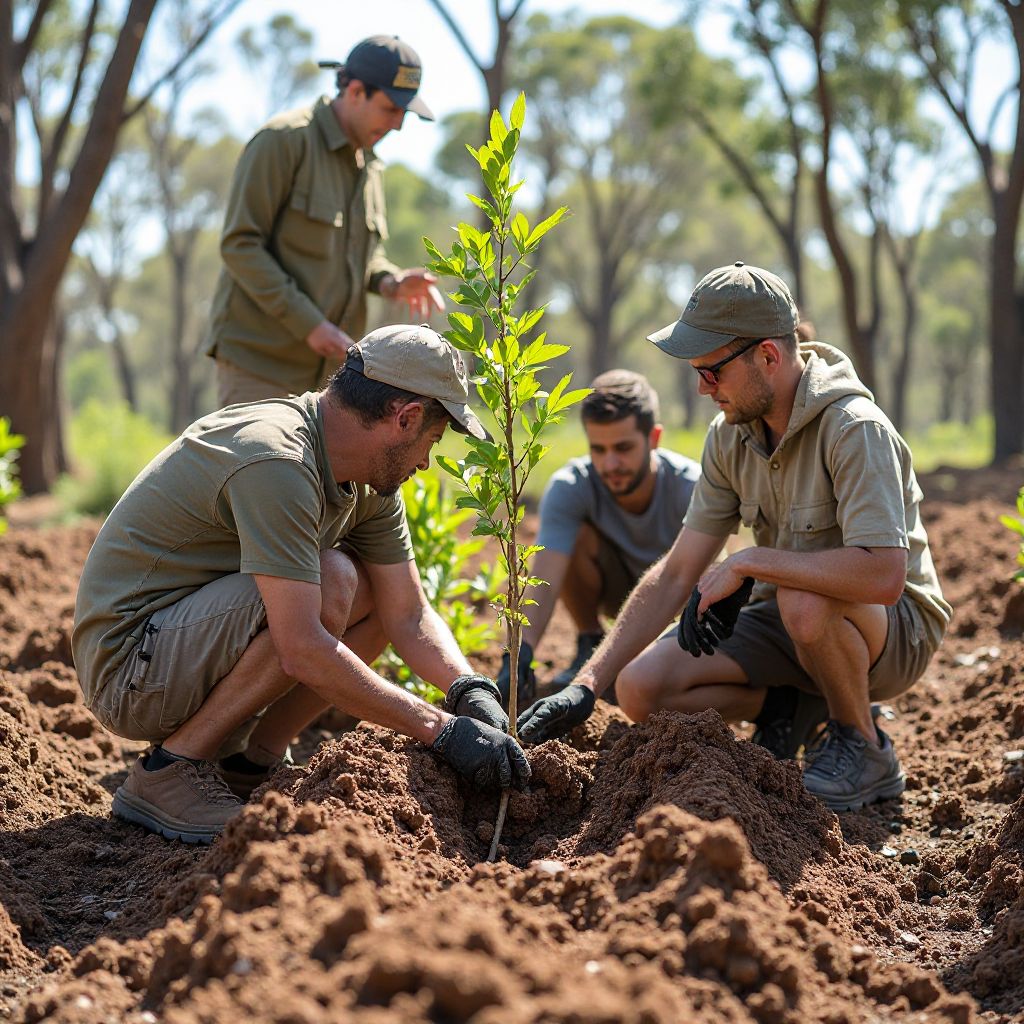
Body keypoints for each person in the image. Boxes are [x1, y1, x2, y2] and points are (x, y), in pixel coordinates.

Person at [515, 262, 951, 812]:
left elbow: (884, 577)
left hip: (891, 631)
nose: (702, 388)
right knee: (639, 688)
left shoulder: (854, 428)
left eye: (713, 372)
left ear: (768, 356)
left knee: (801, 596)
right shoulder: (729, 438)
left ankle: (863, 746)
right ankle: (787, 707)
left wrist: (751, 564)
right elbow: (677, 571)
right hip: (792, 617)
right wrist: (586, 683)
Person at [73, 325, 530, 844]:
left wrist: (467, 690)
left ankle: (251, 761)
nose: (426, 461)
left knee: (365, 589)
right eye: (432, 439)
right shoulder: (278, 460)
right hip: (129, 669)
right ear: (405, 418)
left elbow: (406, 613)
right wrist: (440, 730)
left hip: (181, 642)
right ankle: (170, 771)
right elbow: (300, 648)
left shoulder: (367, 478)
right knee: (331, 579)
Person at [203, 35, 445, 408]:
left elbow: (361, 259)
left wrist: (389, 282)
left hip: (330, 383)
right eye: (391, 108)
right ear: (355, 91)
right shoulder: (283, 141)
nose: (398, 125)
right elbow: (240, 245)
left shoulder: (371, 167)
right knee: (260, 468)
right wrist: (309, 325)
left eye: (405, 113)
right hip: (259, 367)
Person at [496, 370, 699, 709]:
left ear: (654, 438)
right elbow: (543, 581)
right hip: (612, 589)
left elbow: (699, 578)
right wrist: (517, 655)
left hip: (671, 602)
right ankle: (590, 643)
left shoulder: (692, 487)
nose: (610, 463)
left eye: (623, 448)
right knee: (568, 538)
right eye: (598, 449)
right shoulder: (571, 486)